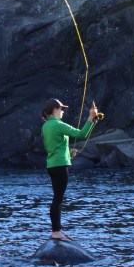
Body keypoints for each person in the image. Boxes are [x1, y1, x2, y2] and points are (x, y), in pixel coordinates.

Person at [40, 97, 100, 242]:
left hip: (52, 165)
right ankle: (55, 231)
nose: (63, 112)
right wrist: (91, 117)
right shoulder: (58, 124)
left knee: (57, 199)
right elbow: (82, 134)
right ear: (54, 110)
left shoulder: (46, 126)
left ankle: (58, 229)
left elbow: (53, 147)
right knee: (57, 200)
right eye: (61, 109)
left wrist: (69, 153)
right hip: (60, 166)